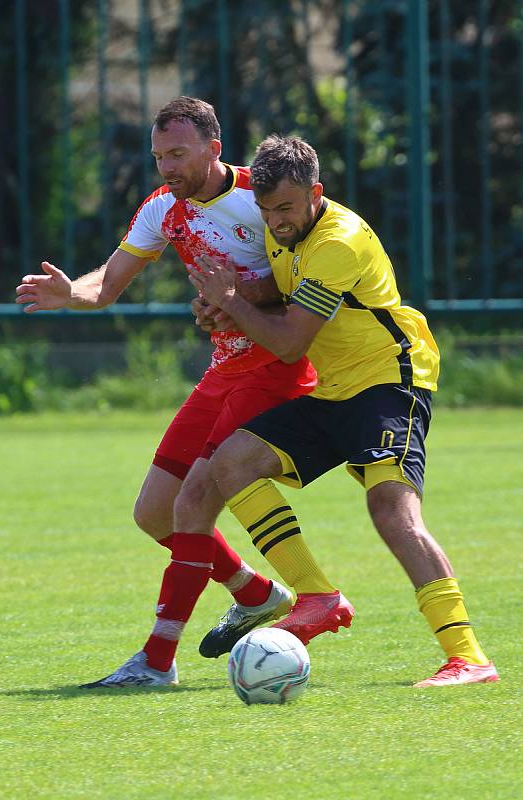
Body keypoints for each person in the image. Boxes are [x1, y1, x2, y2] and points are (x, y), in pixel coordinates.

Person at [15, 99, 348, 688]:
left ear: (213, 149)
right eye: (158, 156)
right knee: (154, 514)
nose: (166, 166)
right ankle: (257, 593)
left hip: (275, 367)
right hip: (224, 370)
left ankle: (156, 662)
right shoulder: (162, 210)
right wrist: (75, 293)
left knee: (194, 501)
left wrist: (237, 294)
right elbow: (108, 283)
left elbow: (308, 269)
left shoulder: (262, 194)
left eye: (177, 153)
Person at [179, 134, 499, 688]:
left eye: (285, 209)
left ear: (314, 193)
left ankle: (468, 657)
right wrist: (225, 307)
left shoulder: (339, 242)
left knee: (392, 512)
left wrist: (231, 301)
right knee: (230, 465)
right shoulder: (283, 230)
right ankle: (317, 596)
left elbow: (288, 342)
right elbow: (281, 299)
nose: (275, 221)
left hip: (387, 381)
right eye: (266, 209)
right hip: (330, 390)